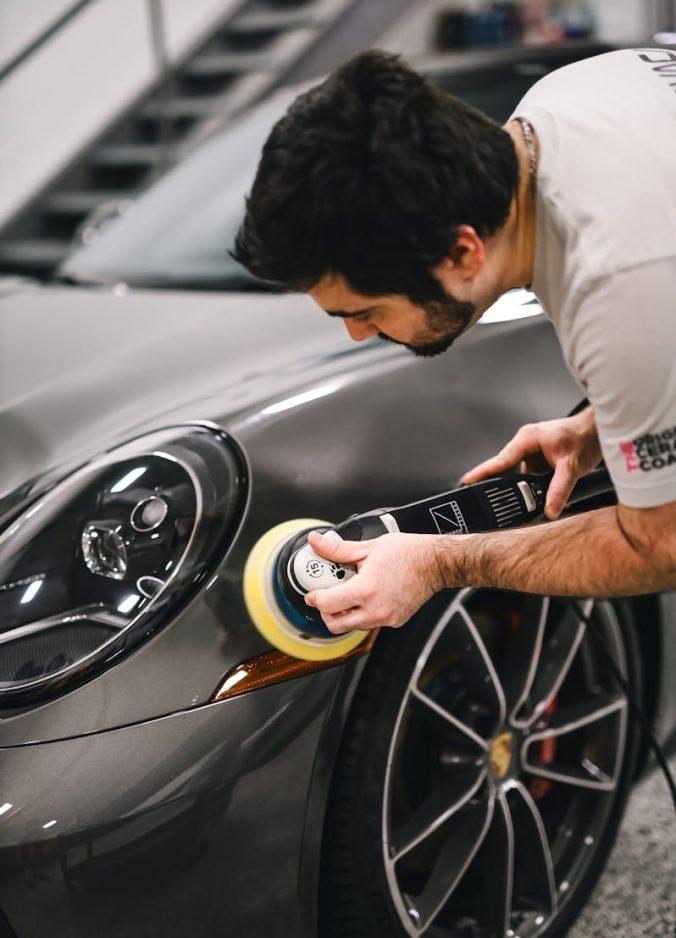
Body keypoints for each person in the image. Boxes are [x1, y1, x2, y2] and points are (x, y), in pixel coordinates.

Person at [234, 47, 676, 636]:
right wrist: (606, 425)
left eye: (367, 311)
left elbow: (659, 545)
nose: (358, 333)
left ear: (462, 252)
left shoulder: (615, 284)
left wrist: (441, 562)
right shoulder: (568, 95)